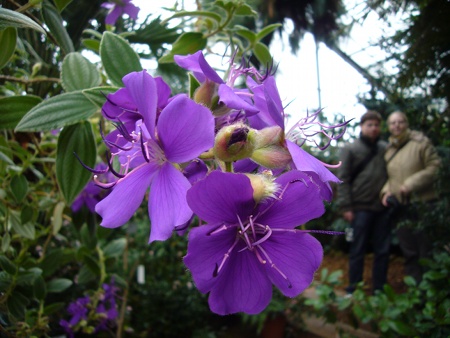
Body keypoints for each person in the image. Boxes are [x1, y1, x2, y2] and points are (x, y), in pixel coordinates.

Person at [381, 111, 441, 283]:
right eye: (393, 123)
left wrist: (411, 184)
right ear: (389, 127)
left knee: (425, 251)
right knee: (409, 252)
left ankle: (429, 291)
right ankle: (414, 292)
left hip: (422, 204)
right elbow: (390, 177)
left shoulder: (421, 143)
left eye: (400, 121)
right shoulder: (389, 149)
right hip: (401, 207)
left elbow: (435, 166)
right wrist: (386, 192)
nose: (397, 125)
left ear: (407, 123)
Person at [337, 110, 391, 294]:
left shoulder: (386, 148)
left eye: (376, 125)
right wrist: (346, 206)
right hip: (360, 208)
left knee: (382, 250)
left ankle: (379, 289)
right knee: (357, 250)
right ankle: (353, 289)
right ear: (362, 126)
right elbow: (343, 178)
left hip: (382, 208)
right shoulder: (351, 149)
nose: (374, 128)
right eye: (370, 125)